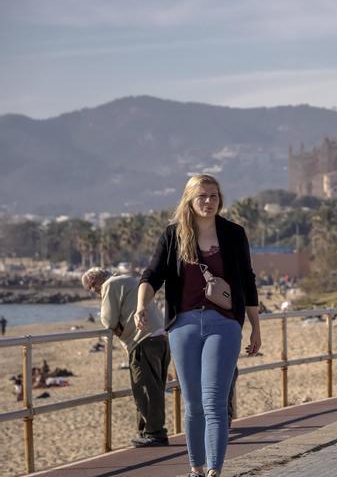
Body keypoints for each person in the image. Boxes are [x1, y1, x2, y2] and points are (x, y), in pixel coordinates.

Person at [138, 174, 261, 477]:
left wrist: (255, 326)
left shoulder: (233, 234)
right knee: (192, 403)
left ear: (221, 200)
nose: (208, 202)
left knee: (214, 401)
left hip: (225, 323)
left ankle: (214, 472)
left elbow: (247, 279)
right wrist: (142, 304)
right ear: (190, 200)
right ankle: (196, 469)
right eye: (202, 196)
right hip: (184, 325)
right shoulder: (174, 235)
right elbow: (153, 274)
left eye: (214, 196)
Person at [82, 267, 170, 447]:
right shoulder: (129, 279)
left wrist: (116, 326)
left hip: (142, 340)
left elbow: (108, 319)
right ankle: (147, 431)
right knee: (155, 387)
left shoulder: (110, 285)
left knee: (144, 388)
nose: (94, 292)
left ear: (95, 281)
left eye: (91, 287)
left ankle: (154, 433)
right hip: (160, 337)